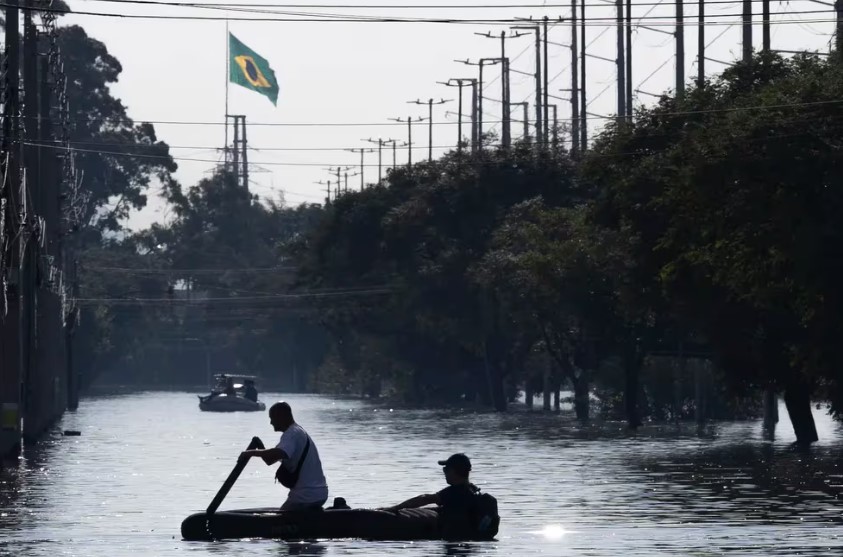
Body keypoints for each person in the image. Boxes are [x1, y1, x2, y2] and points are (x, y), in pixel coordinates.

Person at [239, 402, 329, 511]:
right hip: (320, 494)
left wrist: (249, 453)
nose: (271, 422)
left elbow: (279, 453)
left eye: (272, 418)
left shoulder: (292, 433)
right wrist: (259, 448)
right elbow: (270, 460)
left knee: (280, 516)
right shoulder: (298, 432)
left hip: (305, 496)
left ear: (281, 416)